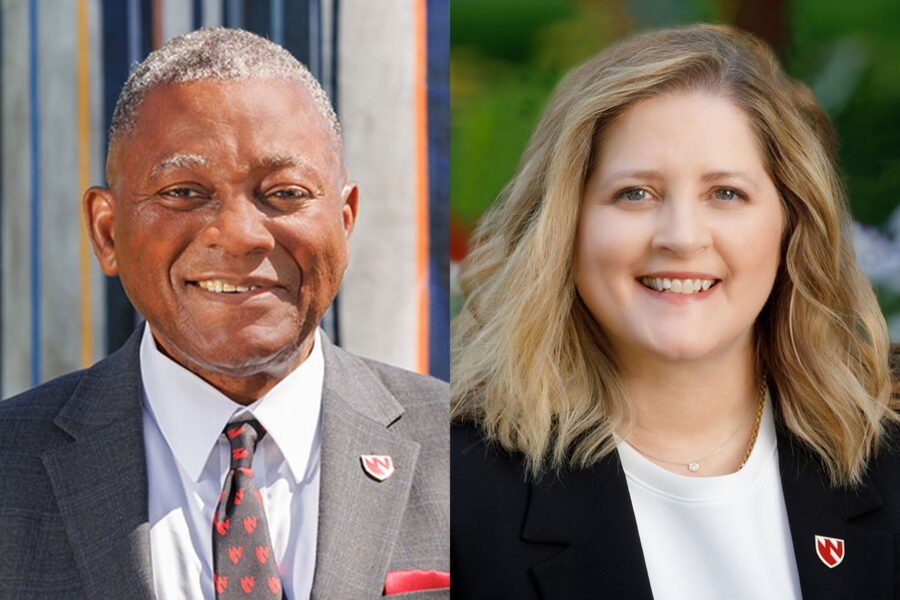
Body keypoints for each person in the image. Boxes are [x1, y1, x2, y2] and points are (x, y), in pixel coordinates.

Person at [451, 24, 900, 600]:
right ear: (565, 227)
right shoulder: (459, 494)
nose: (682, 238)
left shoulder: (885, 460)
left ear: (792, 226)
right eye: (636, 193)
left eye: (726, 194)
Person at [0, 28, 448, 600]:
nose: (239, 236)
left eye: (285, 193)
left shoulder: (469, 449)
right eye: (184, 192)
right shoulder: (10, 471)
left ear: (345, 219)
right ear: (106, 231)